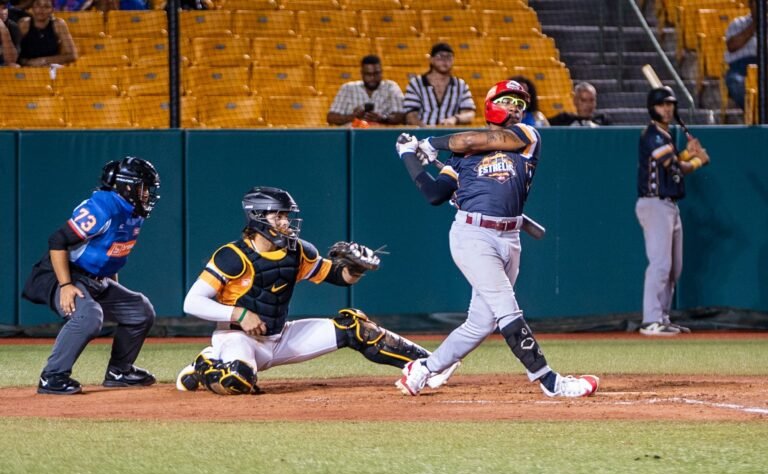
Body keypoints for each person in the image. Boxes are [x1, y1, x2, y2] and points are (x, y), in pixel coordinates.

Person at [393, 80, 599, 398]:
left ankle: (421, 370)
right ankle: (550, 382)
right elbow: (435, 194)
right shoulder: (462, 156)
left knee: (480, 323)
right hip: (473, 235)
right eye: (507, 101)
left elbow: (481, 138)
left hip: (511, 237)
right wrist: (409, 156)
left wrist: (432, 143)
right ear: (491, 104)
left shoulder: (527, 137)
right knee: (507, 310)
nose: (515, 107)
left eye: (519, 103)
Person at [175, 186, 459, 395]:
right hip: (237, 337)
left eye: (286, 216)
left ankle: (431, 364)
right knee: (237, 381)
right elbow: (192, 302)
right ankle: (207, 361)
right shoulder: (233, 255)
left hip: (280, 336)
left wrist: (356, 267)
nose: (286, 223)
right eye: (279, 217)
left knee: (355, 327)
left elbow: (338, 276)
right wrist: (240, 313)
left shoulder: (296, 251)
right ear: (258, 216)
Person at [21, 157, 161, 395]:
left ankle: (120, 372)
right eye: (142, 187)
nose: (147, 194)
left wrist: (113, 287)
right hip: (60, 274)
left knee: (140, 310)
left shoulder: (132, 211)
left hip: (96, 279)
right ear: (126, 186)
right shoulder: (103, 206)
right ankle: (52, 377)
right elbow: (58, 241)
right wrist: (65, 285)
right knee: (88, 316)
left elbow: (111, 254)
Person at [636, 87, 710, 336]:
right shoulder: (652, 135)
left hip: (670, 204)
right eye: (662, 105)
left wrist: (690, 152)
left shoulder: (666, 136)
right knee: (660, 264)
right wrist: (698, 160)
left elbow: (676, 160)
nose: (667, 109)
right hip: (654, 203)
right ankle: (650, 320)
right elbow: (673, 166)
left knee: (674, 267)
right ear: (652, 108)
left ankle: (662, 317)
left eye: (670, 105)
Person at [403, 42, 475, 127]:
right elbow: (410, 115)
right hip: (422, 135)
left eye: (449, 56)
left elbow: (470, 113)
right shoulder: (416, 84)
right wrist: (425, 129)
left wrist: (455, 119)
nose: (445, 60)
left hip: (450, 136)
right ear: (431, 60)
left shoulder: (461, 85)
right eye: (440, 56)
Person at [326, 54, 405, 127]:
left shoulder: (391, 87)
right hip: (355, 135)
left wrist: (383, 118)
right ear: (362, 74)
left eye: (376, 73)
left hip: (382, 135)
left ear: (381, 72)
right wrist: (354, 117)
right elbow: (331, 117)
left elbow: (402, 116)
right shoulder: (348, 88)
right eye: (368, 74)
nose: (372, 78)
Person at [17, 0, 76, 67]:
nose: (41, 10)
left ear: (52, 10)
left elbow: (72, 55)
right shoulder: (23, 24)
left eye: (46, 6)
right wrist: (28, 63)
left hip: (51, 69)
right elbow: (14, 54)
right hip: (27, 69)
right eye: (38, 5)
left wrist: (44, 61)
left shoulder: (59, 24)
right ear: (32, 8)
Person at [724, 0, 757, 110]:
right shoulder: (737, 23)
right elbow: (732, 46)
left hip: (763, 69)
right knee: (735, 82)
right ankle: (752, 111)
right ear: (750, 4)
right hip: (739, 69)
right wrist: (756, 24)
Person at [1, 0, 19, 66]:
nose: (2, 12)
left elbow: (13, 59)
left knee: (14, 66)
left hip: (4, 66)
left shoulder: (13, 26)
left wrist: (3, 29)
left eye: (4, 8)